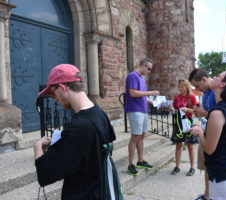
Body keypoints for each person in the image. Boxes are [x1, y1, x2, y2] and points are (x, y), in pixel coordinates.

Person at [34, 64, 122, 199]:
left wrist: (38, 147)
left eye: (53, 93)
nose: (55, 99)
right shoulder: (100, 114)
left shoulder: (79, 127)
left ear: (62, 88)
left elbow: (45, 174)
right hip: (99, 190)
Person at [191, 71, 226, 200]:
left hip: (222, 177)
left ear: (223, 84)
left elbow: (209, 149)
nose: (214, 77)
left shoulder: (217, 112)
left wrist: (200, 133)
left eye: (218, 76)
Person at [125, 58, 160, 175]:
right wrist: (151, 93)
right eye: (148, 68)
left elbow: (142, 96)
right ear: (143, 65)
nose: (149, 71)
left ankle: (140, 160)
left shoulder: (141, 79)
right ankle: (130, 164)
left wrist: (156, 102)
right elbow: (133, 93)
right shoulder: (133, 76)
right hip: (135, 110)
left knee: (141, 136)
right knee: (135, 136)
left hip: (143, 110)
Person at [188, 68, 215, 200]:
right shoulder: (206, 93)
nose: (198, 89)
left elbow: (221, 115)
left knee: (224, 176)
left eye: (198, 86)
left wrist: (203, 113)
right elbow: (207, 112)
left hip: (216, 134)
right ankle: (207, 195)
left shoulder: (217, 91)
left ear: (204, 79)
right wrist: (198, 109)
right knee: (207, 165)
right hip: (207, 130)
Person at [170, 79, 199, 176]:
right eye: (179, 86)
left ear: (186, 87)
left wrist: (187, 109)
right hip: (178, 123)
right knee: (178, 145)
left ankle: (192, 168)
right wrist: (171, 108)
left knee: (190, 145)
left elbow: (195, 112)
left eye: (182, 86)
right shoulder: (177, 97)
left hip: (187, 123)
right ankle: (177, 166)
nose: (180, 88)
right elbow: (174, 108)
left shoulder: (192, 97)